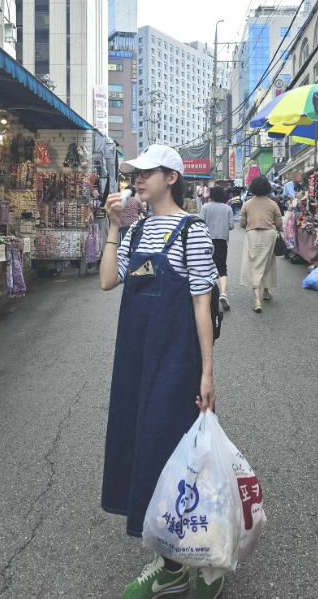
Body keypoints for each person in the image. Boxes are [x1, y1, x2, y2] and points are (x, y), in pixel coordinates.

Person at [99, 144, 223, 599]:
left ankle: (207, 560)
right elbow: (108, 280)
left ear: (171, 177)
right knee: (143, 448)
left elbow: (201, 302)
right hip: (134, 357)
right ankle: (170, 565)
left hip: (175, 358)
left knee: (178, 454)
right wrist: (114, 226)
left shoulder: (192, 230)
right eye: (135, 175)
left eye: (147, 173)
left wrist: (207, 372)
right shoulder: (136, 230)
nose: (137, 181)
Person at [240, 175, 283, 313]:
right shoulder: (273, 204)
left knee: (254, 264)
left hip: (252, 234)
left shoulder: (247, 204)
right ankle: (266, 291)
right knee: (268, 262)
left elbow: (242, 224)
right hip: (269, 235)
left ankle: (257, 300)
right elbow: (279, 223)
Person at [201, 185, 235, 310]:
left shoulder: (205, 207)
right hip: (221, 241)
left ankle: (207, 295)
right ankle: (224, 294)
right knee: (221, 268)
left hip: (206, 241)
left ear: (211, 196)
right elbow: (231, 226)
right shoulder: (227, 208)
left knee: (206, 267)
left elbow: (201, 224)